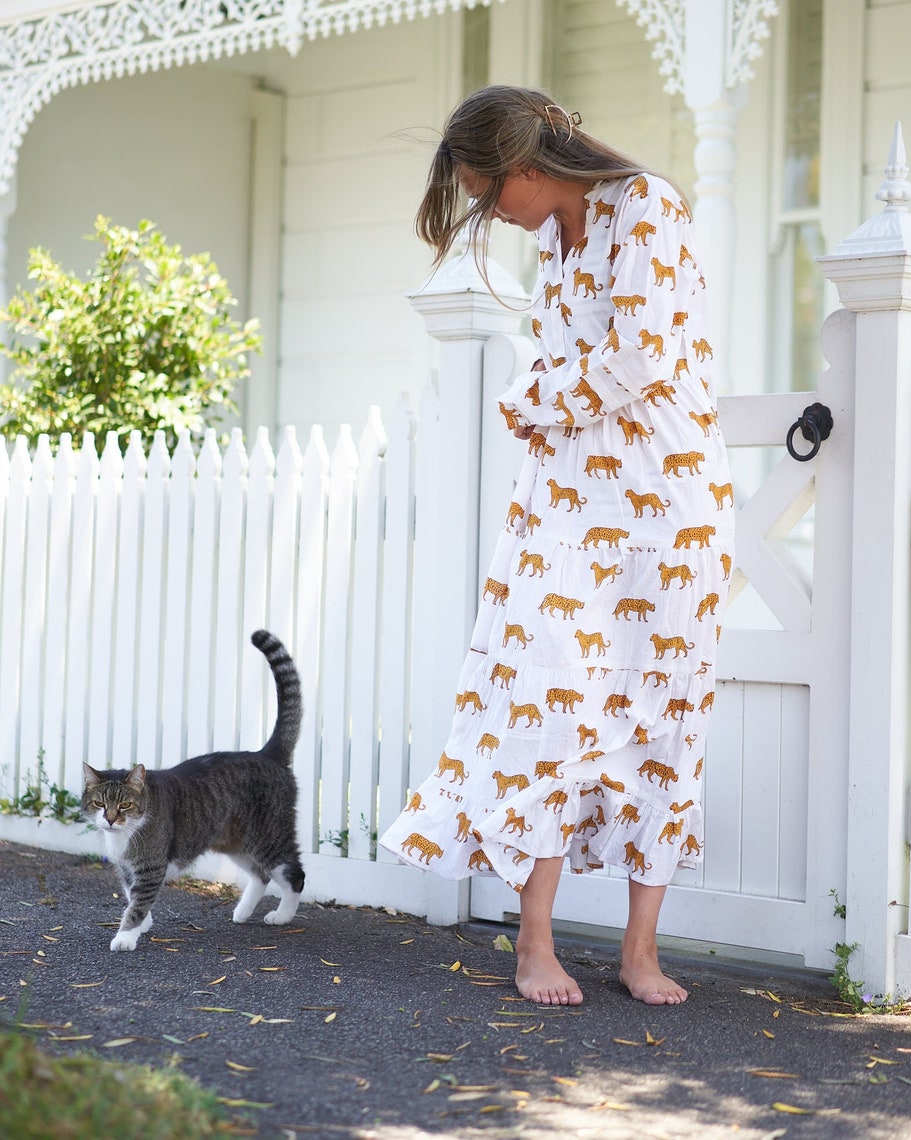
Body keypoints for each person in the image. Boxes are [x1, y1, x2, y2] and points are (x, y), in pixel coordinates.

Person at [379, 85, 734, 1007]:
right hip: (570, 507)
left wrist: (535, 403)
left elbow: (643, 355)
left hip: (665, 505)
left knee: (661, 717)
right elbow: (558, 353)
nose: (491, 210)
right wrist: (541, 395)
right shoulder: (551, 239)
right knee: (547, 706)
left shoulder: (647, 206)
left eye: (490, 190)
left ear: (530, 169)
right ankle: (535, 942)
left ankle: (639, 951)